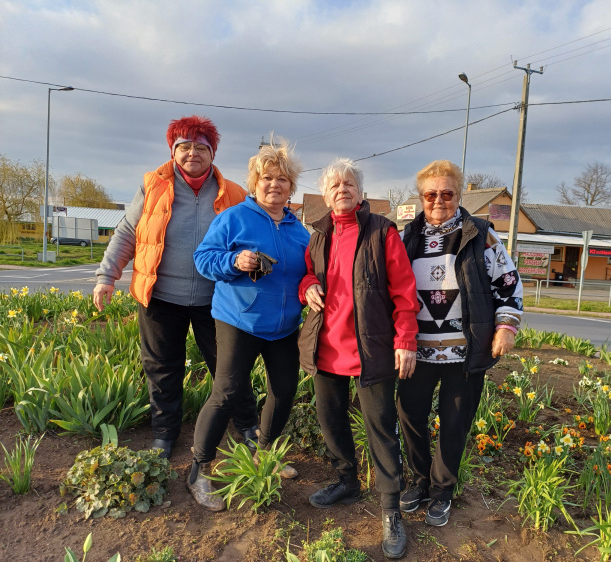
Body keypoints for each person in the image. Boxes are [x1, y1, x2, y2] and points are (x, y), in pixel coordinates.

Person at [93, 116, 254, 460]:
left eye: (201, 147)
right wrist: (107, 275)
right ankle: (164, 435)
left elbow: (252, 237)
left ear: (212, 154)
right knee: (162, 369)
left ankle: (248, 427)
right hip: (161, 297)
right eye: (184, 146)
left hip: (218, 300)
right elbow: (127, 233)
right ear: (173, 151)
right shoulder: (152, 187)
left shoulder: (235, 194)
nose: (192, 153)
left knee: (229, 366)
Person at [298, 158, 419, 559]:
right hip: (327, 348)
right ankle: (347, 482)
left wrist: (406, 339)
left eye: (349, 183)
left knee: (381, 429)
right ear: (325, 195)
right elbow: (307, 274)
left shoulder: (382, 232)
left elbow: (404, 291)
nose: (342, 190)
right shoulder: (319, 235)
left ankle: (390, 510)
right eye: (334, 185)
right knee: (330, 420)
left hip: (372, 350)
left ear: (361, 192)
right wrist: (307, 286)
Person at [397, 160, 523, 527]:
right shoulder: (407, 237)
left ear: (459, 195)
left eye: (447, 193)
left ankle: (442, 491)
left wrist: (506, 327)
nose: (439, 200)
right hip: (416, 350)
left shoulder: (480, 235)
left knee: (454, 422)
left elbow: (509, 284)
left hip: (465, 351)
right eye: (430, 194)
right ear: (421, 197)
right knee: (411, 416)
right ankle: (419, 481)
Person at [187, 138, 310, 511]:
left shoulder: (298, 230)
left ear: (291, 186)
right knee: (226, 392)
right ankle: (199, 469)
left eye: (282, 179)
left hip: (284, 327)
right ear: (255, 183)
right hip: (239, 320)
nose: (274, 185)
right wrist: (233, 262)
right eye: (267, 178)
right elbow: (203, 258)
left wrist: (313, 285)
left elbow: (310, 271)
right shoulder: (234, 218)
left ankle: (264, 454)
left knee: (284, 390)